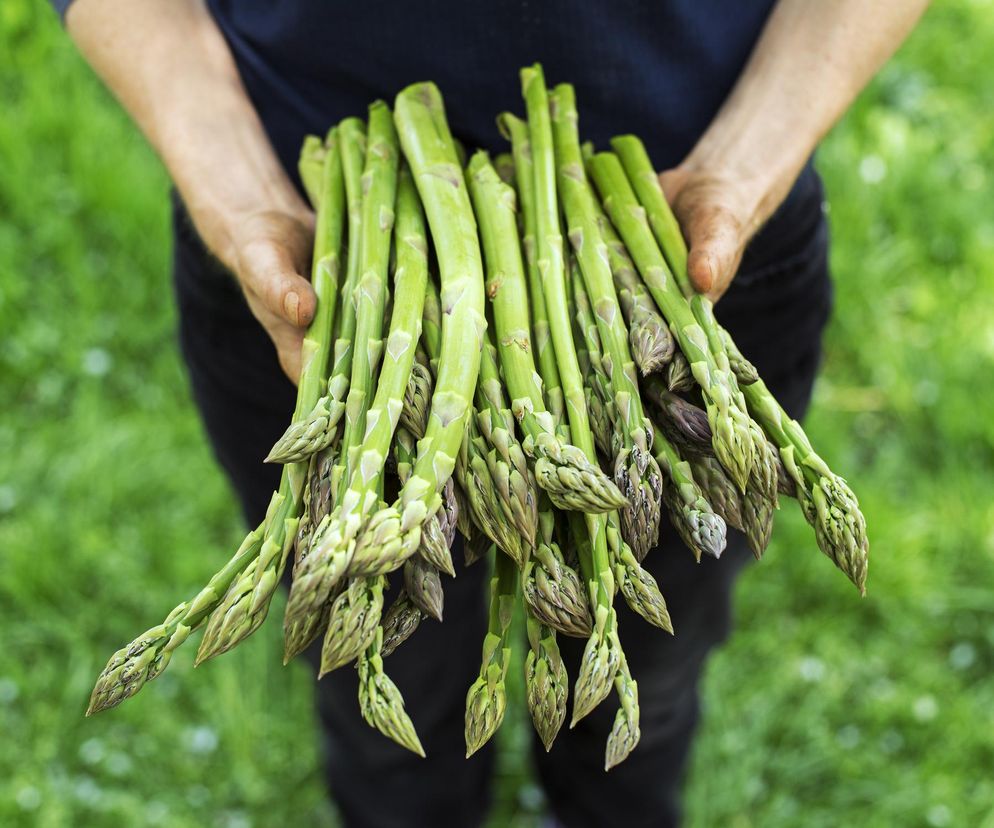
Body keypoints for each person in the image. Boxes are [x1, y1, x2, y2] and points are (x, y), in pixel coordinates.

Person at [54, 1, 927, 825]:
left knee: (644, 683)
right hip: (317, 259)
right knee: (386, 701)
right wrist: (230, 181)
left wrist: (747, 165)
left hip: (675, 249)